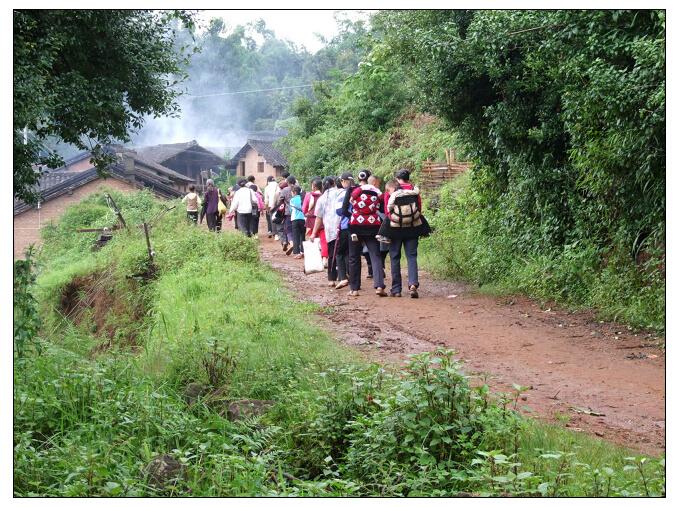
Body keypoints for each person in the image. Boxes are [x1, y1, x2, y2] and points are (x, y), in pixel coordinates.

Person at [385, 168, 430, 298]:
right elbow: (419, 209)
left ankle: (396, 289)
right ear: (408, 178)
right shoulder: (414, 190)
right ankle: (413, 285)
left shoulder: (393, 189)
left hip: (395, 228)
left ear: (397, 179)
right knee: (411, 256)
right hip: (412, 227)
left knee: (394, 257)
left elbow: (387, 211)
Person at [341, 169, 387, 297]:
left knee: (354, 257)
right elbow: (382, 209)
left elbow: (344, 210)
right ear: (371, 179)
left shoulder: (352, 190)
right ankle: (379, 286)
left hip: (355, 226)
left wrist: (355, 215)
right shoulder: (377, 191)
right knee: (375, 255)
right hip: (373, 226)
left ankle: (354, 289)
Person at [310, 176, 340, 287]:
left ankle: (331, 279)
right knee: (343, 254)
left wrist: (313, 233)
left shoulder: (322, 198)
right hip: (341, 228)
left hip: (329, 230)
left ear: (323, 186)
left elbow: (318, 217)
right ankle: (344, 276)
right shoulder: (339, 193)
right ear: (334, 184)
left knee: (332, 254)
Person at [278, 175, 296, 254]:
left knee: (288, 229)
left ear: (287, 182)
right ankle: (299, 248)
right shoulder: (299, 189)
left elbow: (280, 200)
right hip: (298, 213)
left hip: (288, 213)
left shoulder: (285, 190)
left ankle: (291, 243)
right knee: (296, 230)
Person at [290, 185, 305, 258]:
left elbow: (291, 210)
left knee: (296, 236)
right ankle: (303, 251)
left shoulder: (292, 200)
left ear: (295, 192)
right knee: (302, 236)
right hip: (303, 219)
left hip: (295, 219)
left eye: (292, 193)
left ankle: (297, 252)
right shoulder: (303, 198)